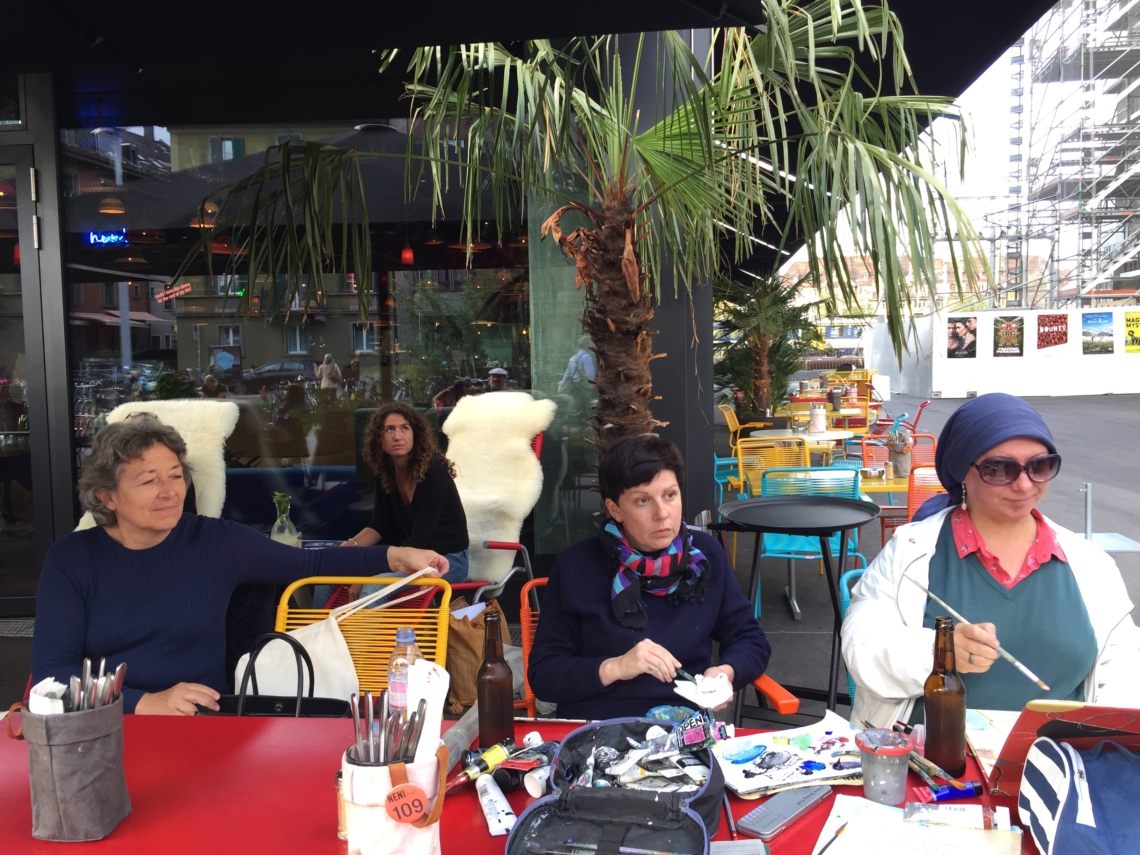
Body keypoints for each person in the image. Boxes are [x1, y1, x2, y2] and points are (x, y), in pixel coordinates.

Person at [31, 416, 449, 716]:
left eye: (176, 476)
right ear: (106, 497)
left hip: (202, 722)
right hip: (100, 729)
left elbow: (308, 562)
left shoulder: (216, 541)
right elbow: (53, 672)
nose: (169, 492)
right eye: (148, 480)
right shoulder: (72, 559)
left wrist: (393, 555)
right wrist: (145, 703)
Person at [842, 393, 1140, 727]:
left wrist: (1105, 749)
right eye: (999, 469)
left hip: (1059, 763)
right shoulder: (910, 552)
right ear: (962, 472)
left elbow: (1124, 675)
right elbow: (861, 649)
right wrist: (940, 650)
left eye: (1039, 466)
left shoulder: (1090, 565)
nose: (1024, 484)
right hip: (932, 762)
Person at [528, 434, 771, 719]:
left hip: (683, 728)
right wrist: (616, 667)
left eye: (670, 495)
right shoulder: (577, 565)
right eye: (642, 500)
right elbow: (544, 675)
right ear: (615, 509)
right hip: (597, 727)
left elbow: (750, 638)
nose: (662, 514)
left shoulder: (704, 557)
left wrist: (725, 673)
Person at [339, 403, 469, 600]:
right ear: (379, 439)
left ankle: (363, 632)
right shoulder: (386, 473)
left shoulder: (434, 473)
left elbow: (419, 541)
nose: (397, 436)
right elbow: (379, 526)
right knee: (328, 579)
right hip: (409, 555)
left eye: (404, 428)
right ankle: (322, 632)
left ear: (415, 435)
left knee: (372, 589)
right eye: (389, 429)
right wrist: (349, 548)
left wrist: (367, 571)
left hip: (447, 561)